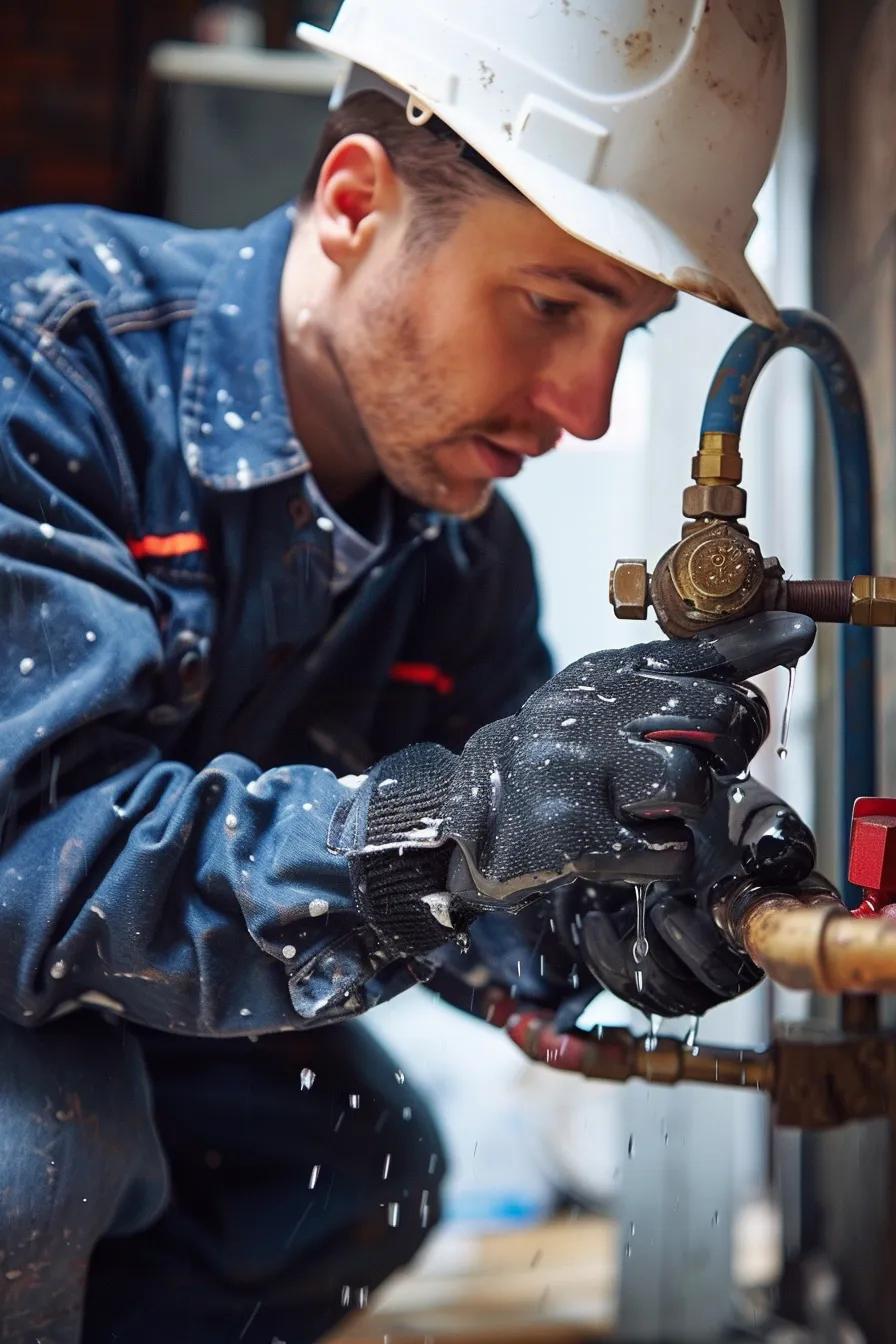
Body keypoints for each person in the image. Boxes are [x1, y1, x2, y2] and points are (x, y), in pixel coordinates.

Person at [0, 1, 816, 1340]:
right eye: (551, 304)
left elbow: (484, 879)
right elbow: (30, 869)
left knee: (347, 1179)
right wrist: (458, 821)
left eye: (626, 333)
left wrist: (626, 882)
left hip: (104, 1003)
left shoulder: (456, 556)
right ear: (354, 203)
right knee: (36, 1162)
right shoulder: (41, 353)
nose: (587, 408)